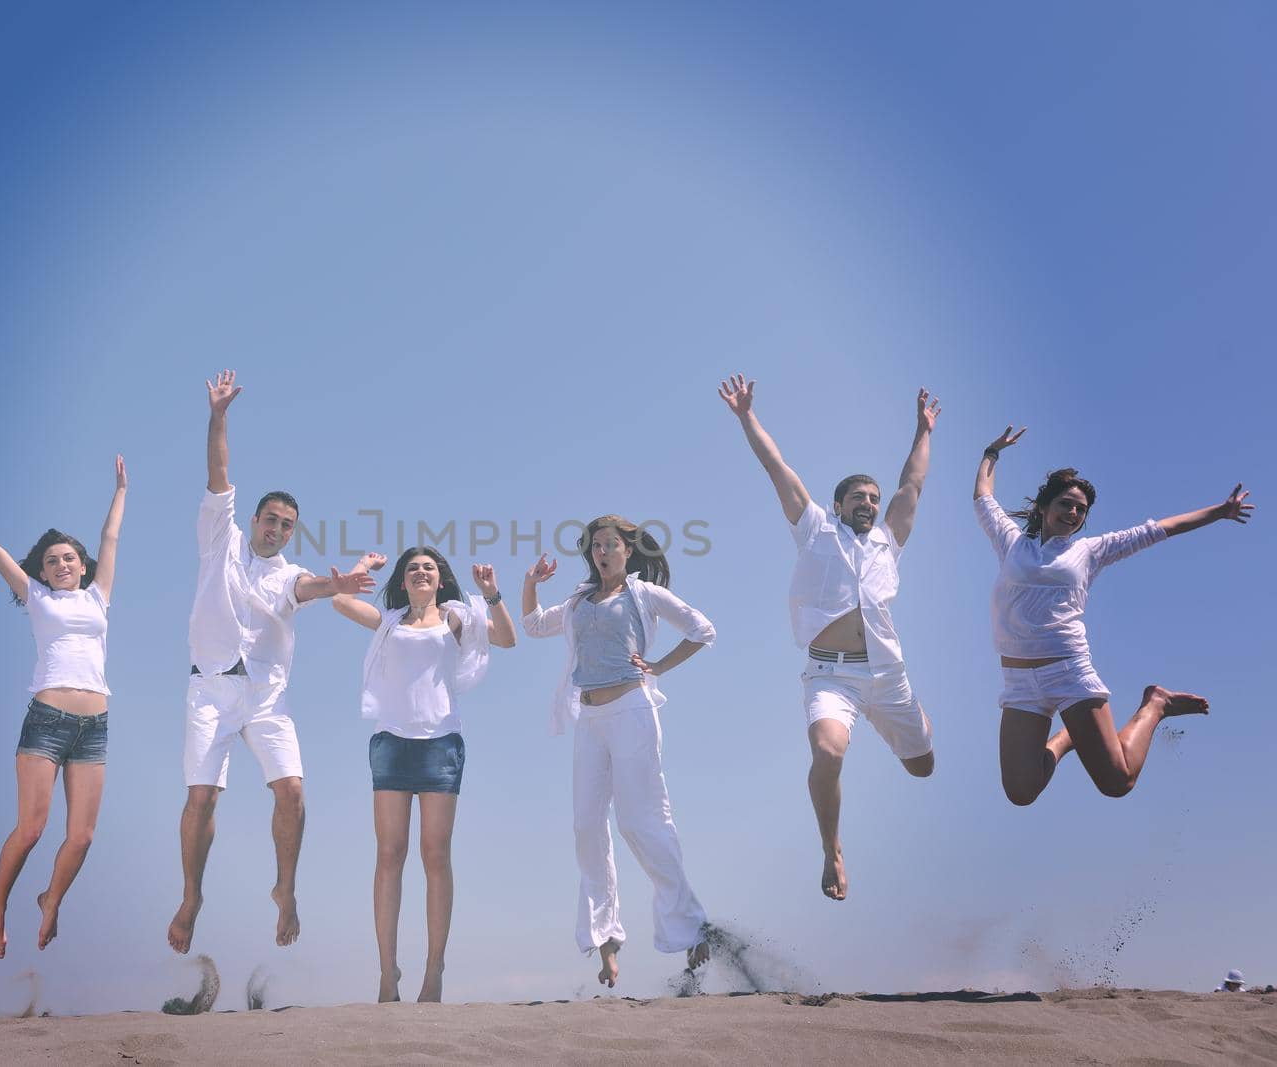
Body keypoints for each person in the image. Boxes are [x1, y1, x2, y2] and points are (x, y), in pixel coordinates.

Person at [168, 370, 377, 955]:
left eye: (287, 525)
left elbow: (308, 589)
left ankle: (285, 888)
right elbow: (218, 472)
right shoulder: (220, 537)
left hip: (265, 697)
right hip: (209, 689)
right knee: (201, 798)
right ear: (255, 519)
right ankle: (192, 896)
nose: (277, 529)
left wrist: (339, 583)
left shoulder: (288, 574)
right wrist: (219, 415)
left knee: (292, 792)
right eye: (271, 520)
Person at [719, 375, 938, 902]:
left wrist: (922, 430)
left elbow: (912, 486)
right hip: (830, 674)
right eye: (858, 496)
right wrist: (746, 415)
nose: (869, 502)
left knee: (923, 767)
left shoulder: (888, 542)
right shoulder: (814, 527)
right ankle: (832, 850)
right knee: (828, 751)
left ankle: (914, 716)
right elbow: (777, 468)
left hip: (886, 675)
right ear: (838, 505)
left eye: (873, 497)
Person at [974, 426, 1253, 805]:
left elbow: (1161, 529)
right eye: (1065, 505)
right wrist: (992, 452)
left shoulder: (1089, 551)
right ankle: (1065, 739)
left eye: (1081, 510)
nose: (1073, 513)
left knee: (1117, 782)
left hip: (1068, 672)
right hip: (1019, 680)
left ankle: (1156, 703)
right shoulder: (1011, 543)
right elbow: (983, 497)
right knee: (1022, 791)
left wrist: (1219, 512)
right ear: (1043, 508)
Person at [0, 456, 127, 958]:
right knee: (32, 827)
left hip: (94, 725)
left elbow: (111, 538)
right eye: (51, 560)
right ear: (41, 570)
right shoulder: (35, 596)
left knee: (81, 838)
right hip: (48, 722)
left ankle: (49, 899)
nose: (61, 565)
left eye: (68, 559)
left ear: (82, 566)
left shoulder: (99, 597)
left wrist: (121, 489)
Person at [521, 516, 716, 989]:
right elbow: (530, 625)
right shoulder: (576, 603)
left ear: (628, 550)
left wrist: (658, 667)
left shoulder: (643, 594)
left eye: (611, 544)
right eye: (596, 546)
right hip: (590, 719)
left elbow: (701, 629)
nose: (603, 552)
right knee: (587, 825)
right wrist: (530, 582)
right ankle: (605, 940)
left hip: (631, 709)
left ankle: (690, 927)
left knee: (640, 821)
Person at [332, 548, 518, 1003]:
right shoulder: (389, 622)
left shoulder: (456, 619)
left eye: (429, 568)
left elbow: (508, 639)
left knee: (435, 857)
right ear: (403, 579)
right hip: (391, 744)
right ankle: (386, 972)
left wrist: (492, 594)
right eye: (413, 567)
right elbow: (339, 600)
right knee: (389, 856)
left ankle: (434, 972)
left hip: (441, 745)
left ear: (440, 580)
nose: (420, 572)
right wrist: (362, 567)